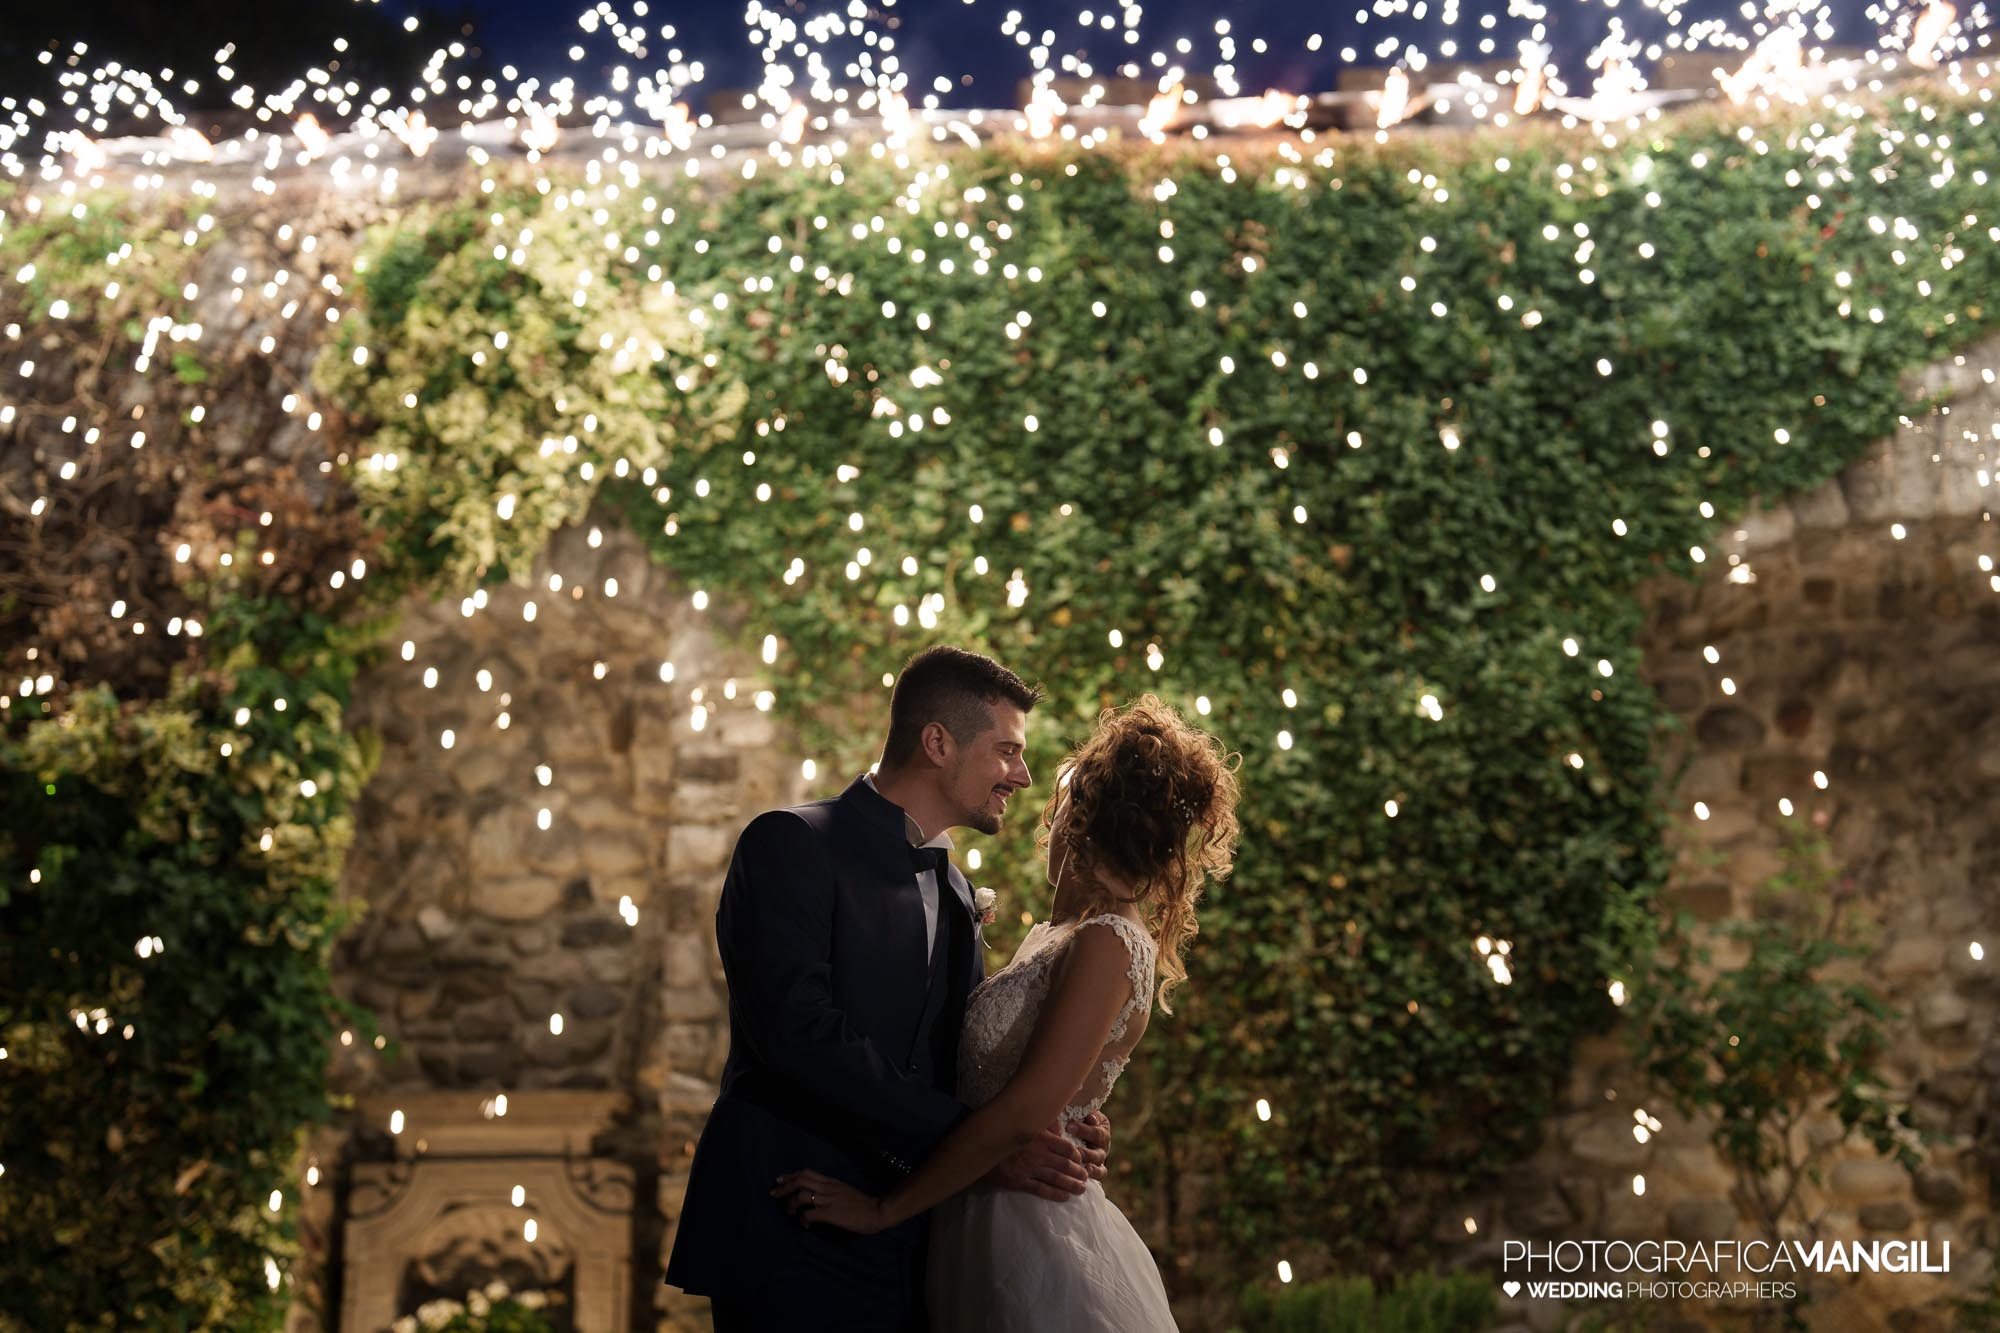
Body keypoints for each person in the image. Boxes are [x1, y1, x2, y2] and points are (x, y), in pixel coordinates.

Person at [664, 645, 1116, 1331]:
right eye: (1005, 751)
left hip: (914, 1236)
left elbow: (950, 1057)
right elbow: (799, 1034)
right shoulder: (789, 843)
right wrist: (986, 1142)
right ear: (937, 742)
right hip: (792, 1214)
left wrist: (1057, 1124)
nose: (1021, 776)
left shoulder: (959, 889)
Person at [774, 693, 1242, 1331]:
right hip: (976, 1216)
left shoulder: (1108, 940)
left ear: (1079, 821)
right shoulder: (1057, 935)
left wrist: (883, 1209)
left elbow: (1023, 1111)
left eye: (1051, 813)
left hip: (1035, 1234)